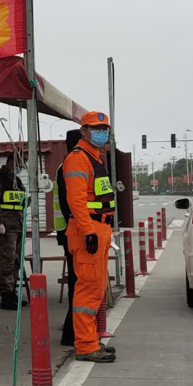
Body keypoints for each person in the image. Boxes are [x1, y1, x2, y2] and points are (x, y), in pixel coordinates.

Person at [62, 111, 118, 363]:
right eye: (96, 129)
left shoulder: (94, 157)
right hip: (89, 230)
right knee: (88, 289)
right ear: (83, 131)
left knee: (96, 288)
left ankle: (91, 340)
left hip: (99, 228)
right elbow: (76, 201)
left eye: (105, 129)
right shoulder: (78, 159)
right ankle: (85, 345)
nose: (102, 133)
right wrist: (88, 231)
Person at [0, 147, 27, 310]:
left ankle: (12, 291)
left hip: (18, 224)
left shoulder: (17, 181)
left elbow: (21, 201)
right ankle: (6, 294)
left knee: (17, 260)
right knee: (7, 260)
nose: (20, 168)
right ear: (10, 162)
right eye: (19, 165)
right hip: (6, 225)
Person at [54, 129, 82, 346]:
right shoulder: (69, 166)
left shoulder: (67, 165)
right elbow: (69, 203)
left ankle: (73, 330)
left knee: (78, 282)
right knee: (78, 283)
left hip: (69, 231)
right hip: (72, 233)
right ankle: (72, 333)